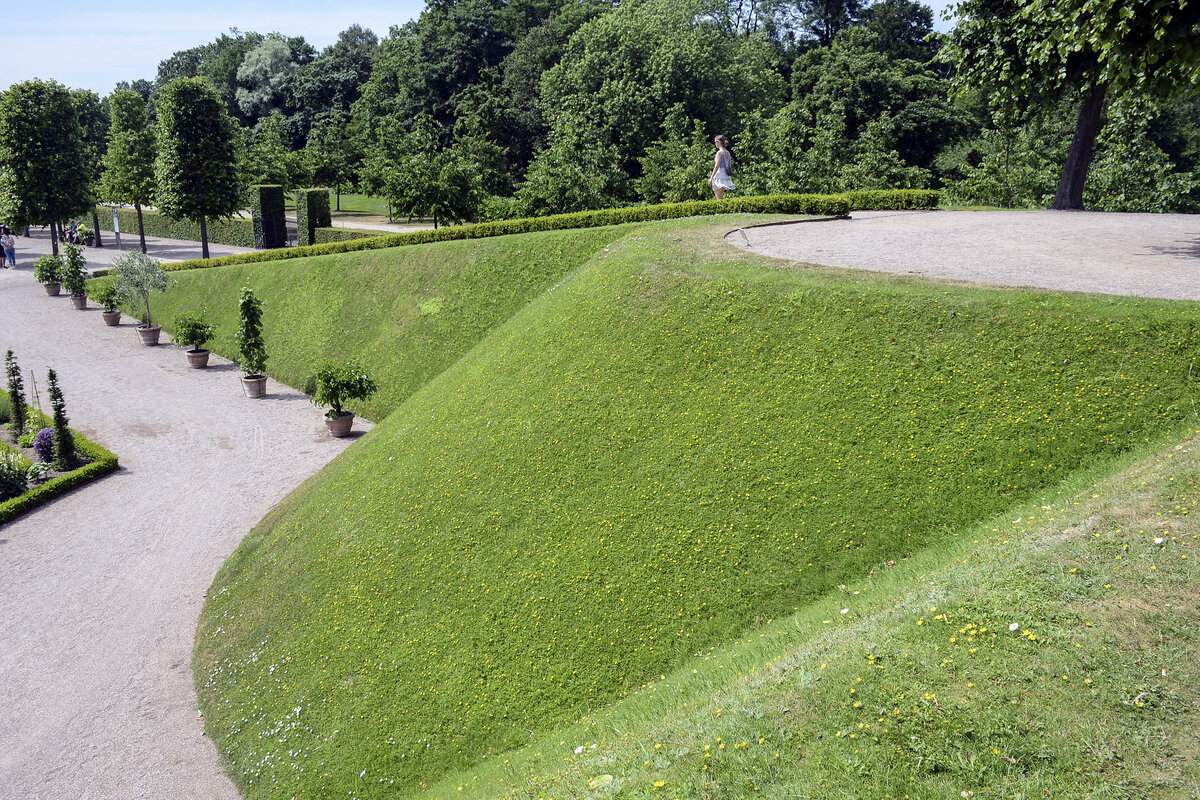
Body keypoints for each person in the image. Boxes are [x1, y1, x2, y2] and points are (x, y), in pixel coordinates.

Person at [708, 135, 735, 199]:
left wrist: (711, 178)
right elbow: (729, 166)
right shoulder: (728, 153)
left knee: (719, 199)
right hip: (726, 176)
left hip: (719, 176)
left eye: (715, 142)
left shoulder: (719, 153)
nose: (715, 144)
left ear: (718, 142)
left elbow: (716, 166)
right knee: (721, 198)